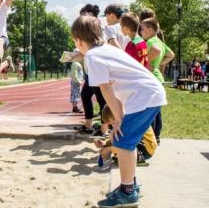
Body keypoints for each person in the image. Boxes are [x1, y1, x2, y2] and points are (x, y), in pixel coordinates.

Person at [71, 15, 167, 207]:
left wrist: (119, 118)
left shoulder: (93, 56)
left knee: (124, 142)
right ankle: (130, 185)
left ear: (78, 41)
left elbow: (106, 89)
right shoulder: (106, 49)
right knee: (125, 141)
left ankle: (127, 191)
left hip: (144, 96)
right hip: (147, 94)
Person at [140, 18, 174, 144]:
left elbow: (156, 50)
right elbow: (171, 55)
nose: (141, 31)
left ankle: (151, 139)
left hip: (151, 79)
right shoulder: (160, 41)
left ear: (150, 29)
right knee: (156, 111)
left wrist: (146, 64)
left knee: (149, 111)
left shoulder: (150, 41)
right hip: (158, 79)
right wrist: (158, 63)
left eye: (142, 29)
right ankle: (156, 137)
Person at [74, 4, 107, 135]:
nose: (81, 18)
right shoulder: (85, 30)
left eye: (83, 15)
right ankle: (88, 125)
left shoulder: (99, 28)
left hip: (97, 70)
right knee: (86, 95)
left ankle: (105, 128)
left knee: (102, 99)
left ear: (90, 15)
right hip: (90, 70)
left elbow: (99, 47)